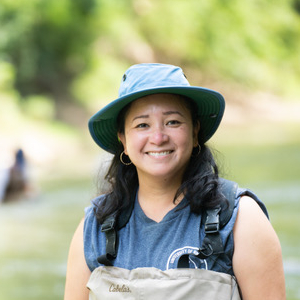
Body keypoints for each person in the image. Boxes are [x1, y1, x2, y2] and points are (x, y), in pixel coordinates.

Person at [64, 63, 286, 300]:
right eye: (142, 125)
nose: (158, 138)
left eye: (173, 122)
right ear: (124, 141)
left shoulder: (240, 218)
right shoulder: (94, 227)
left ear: (194, 132)